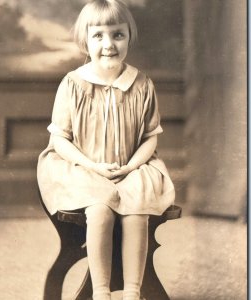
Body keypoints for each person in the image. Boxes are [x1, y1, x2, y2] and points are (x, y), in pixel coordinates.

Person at [37, 0, 175, 299]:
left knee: (137, 208)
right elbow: (60, 140)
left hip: (131, 166)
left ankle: (132, 291)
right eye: (98, 35)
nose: (108, 44)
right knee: (100, 210)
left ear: (129, 36)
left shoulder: (141, 85)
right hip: (83, 167)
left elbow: (150, 138)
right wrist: (93, 166)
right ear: (85, 40)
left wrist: (131, 166)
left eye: (117, 34)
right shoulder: (73, 84)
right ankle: (101, 292)